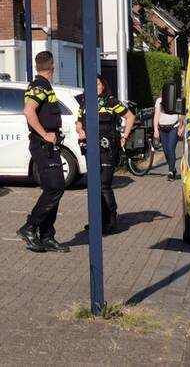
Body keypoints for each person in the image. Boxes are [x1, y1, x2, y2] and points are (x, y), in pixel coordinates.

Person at [16, 51, 70, 253]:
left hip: (48, 146)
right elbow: (28, 111)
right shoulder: (40, 86)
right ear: (53, 66)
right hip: (43, 145)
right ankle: (30, 227)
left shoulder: (44, 86)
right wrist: (45, 134)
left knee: (53, 189)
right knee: (55, 188)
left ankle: (47, 236)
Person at [77, 75, 135, 234]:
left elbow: (130, 117)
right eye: (91, 84)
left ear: (103, 85)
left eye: (97, 84)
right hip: (90, 148)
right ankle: (97, 220)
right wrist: (80, 130)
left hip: (107, 149)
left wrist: (125, 136)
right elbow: (79, 122)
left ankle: (111, 220)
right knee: (94, 185)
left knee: (104, 184)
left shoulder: (111, 102)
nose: (95, 87)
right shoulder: (85, 102)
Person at [154, 93, 182, 180]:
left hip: (173, 128)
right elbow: (156, 115)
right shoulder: (159, 101)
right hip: (162, 129)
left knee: (170, 148)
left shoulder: (177, 101)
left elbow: (181, 116)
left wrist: (182, 128)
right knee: (166, 151)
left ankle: (170, 172)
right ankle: (173, 168)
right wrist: (156, 130)